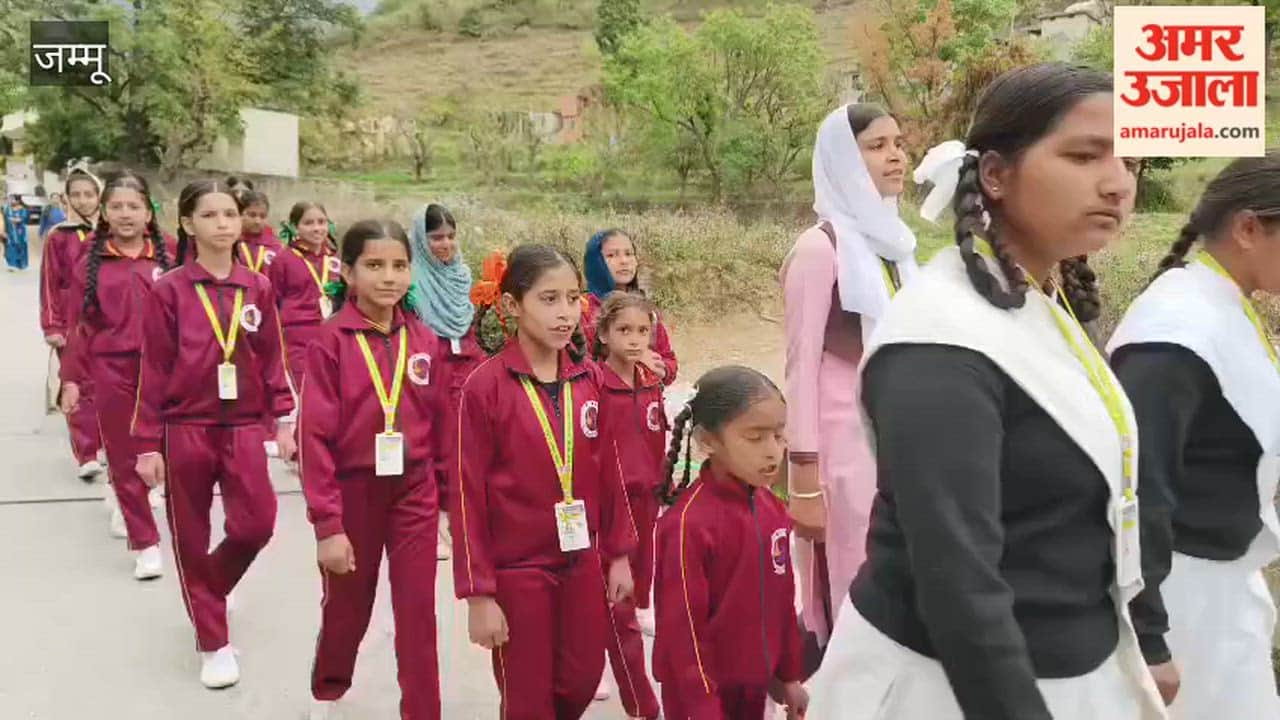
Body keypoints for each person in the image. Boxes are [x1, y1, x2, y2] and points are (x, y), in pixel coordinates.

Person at [805, 63, 1166, 719]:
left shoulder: (1042, 306)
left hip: (1070, 670)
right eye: (1085, 155)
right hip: (946, 690)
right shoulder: (940, 344)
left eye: (1132, 163)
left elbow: (1104, 498)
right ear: (996, 175)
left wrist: (1144, 634)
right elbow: (960, 587)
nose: (1118, 183)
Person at [1108, 153, 1280, 718]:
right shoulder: (1175, 333)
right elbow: (1139, 490)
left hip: (1220, 586)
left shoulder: (1221, 304)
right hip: (1181, 600)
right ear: (1249, 228)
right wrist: (1150, 639)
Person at [452, 244, 636, 720]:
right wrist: (479, 594)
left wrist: (617, 554)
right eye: (549, 299)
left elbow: (609, 470)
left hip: (581, 562)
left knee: (579, 682)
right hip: (518, 570)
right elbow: (467, 494)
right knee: (528, 698)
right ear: (512, 306)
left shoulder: (589, 378)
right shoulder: (484, 387)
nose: (566, 314)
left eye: (573, 298)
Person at [133, 180, 295, 690]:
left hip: (244, 424)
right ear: (188, 225)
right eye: (210, 215)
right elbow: (154, 369)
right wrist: (145, 444)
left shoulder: (257, 287)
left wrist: (285, 419)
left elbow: (272, 359)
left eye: (230, 214)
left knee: (257, 524)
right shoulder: (169, 290)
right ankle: (213, 641)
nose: (223, 223)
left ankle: (209, 590)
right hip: (187, 426)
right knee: (191, 533)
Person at [301, 220, 450, 720]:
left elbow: (440, 425)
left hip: (414, 492)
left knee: (417, 613)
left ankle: (423, 710)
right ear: (348, 272)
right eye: (374, 266)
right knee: (349, 606)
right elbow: (314, 437)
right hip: (351, 493)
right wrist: (327, 524)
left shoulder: (424, 340)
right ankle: (330, 682)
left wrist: (448, 502)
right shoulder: (331, 341)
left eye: (400, 266)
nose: (389, 277)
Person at [781, 103, 916, 647]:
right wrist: (804, 479)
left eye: (899, 143)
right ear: (843, 157)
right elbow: (801, 364)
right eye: (877, 145)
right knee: (852, 578)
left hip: (897, 438)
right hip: (843, 446)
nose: (896, 157)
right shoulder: (821, 248)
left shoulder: (898, 245)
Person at [652, 365, 808, 719]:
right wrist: (703, 706)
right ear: (708, 441)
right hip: (701, 698)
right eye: (755, 438)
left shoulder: (772, 509)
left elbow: (782, 599)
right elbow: (683, 633)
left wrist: (787, 675)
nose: (773, 452)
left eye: (779, 436)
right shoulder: (687, 524)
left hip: (754, 688)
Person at [60, 170, 174, 579]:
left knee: (177, 454)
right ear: (105, 213)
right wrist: (71, 379)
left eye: (134, 206)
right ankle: (145, 544)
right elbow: (79, 325)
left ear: (148, 212)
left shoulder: (170, 255)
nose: (125, 214)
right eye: (117, 207)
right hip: (113, 372)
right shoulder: (89, 261)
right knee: (125, 460)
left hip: (169, 372)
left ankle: (184, 534)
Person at [593, 291, 665, 719]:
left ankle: (621, 641)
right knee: (611, 592)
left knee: (640, 576)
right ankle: (609, 671)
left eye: (642, 331)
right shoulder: (595, 385)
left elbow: (657, 436)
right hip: (609, 504)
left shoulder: (651, 380)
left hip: (647, 497)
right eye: (624, 330)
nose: (635, 339)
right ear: (604, 333)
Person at [405, 203, 482, 561]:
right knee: (431, 444)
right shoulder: (412, 280)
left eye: (451, 236)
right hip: (428, 370)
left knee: (461, 446)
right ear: (421, 240)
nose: (446, 244)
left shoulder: (463, 276)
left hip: (465, 367)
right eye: (436, 237)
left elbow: (473, 326)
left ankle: (457, 519)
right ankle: (430, 521)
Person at [40, 168, 105, 482]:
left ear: (99, 196)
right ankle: (87, 453)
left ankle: (108, 442)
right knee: (77, 386)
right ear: (66, 198)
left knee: (107, 383)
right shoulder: (58, 236)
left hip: (107, 321)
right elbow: (50, 283)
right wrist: (53, 326)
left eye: (89, 194)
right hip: (71, 320)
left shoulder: (112, 232)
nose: (83, 200)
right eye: (76, 194)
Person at [582, 230, 677, 384]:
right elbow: (577, 367)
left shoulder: (644, 309)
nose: (624, 261)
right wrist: (632, 357)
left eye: (629, 254)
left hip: (646, 399)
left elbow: (668, 360)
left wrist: (662, 369)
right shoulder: (583, 309)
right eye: (612, 255)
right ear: (595, 262)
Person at [266, 201, 339, 392]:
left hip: (331, 336)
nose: (317, 228)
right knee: (304, 392)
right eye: (308, 223)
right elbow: (272, 303)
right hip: (297, 340)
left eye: (321, 222)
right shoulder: (283, 260)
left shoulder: (336, 260)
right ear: (295, 227)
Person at [236, 190, 281, 273]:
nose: (257, 221)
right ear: (240, 214)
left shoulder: (276, 247)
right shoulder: (231, 243)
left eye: (262, 216)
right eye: (252, 215)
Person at [4, 194, 29, 271]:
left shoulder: (23, 209)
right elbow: (4, 220)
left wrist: (14, 220)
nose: (11, 201)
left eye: (13, 199)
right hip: (10, 231)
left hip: (20, 232)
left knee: (20, 246)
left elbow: (23, 219)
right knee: (10, 247)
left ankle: (21, 264)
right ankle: (12, 265)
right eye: (10, 199)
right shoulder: (7, 209)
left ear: (18, 201)